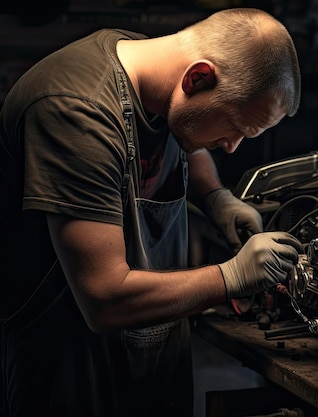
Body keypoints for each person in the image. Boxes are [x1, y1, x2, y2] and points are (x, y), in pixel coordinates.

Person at [0, 7, 302, 417]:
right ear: (197, 77)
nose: (231, 146)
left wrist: (215, 196)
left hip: (153, 347)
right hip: (69, 365)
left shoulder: (156, 68)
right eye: (233, 126)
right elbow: (104, 300)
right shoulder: (77, 111)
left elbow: (182, 131)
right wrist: (231, 276)